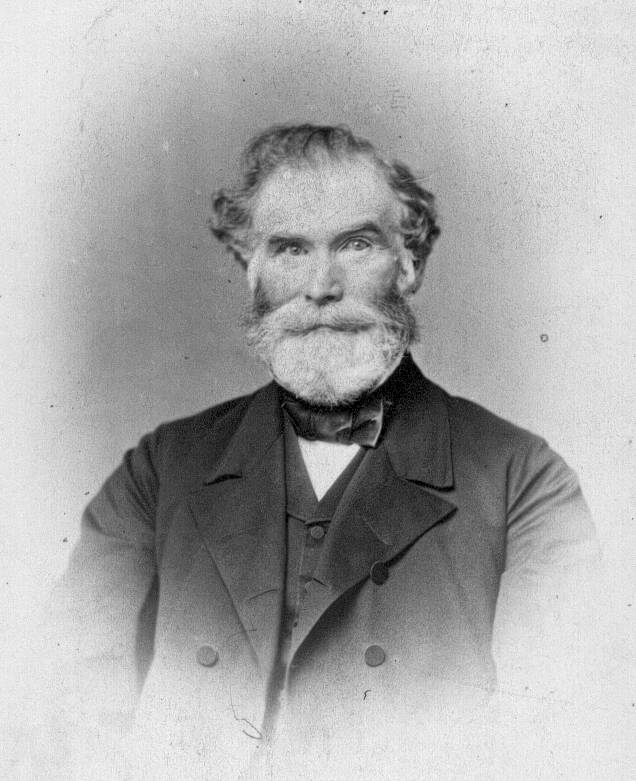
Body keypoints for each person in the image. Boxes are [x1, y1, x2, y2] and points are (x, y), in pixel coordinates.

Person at [26, 124, 600, 780]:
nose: (322, 285)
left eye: (357, 244)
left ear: (409, 263)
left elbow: (557, 739)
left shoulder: (523, 480)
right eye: (291, 248)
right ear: (251, 269)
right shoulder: (160, 470)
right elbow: (66, 717)